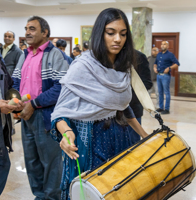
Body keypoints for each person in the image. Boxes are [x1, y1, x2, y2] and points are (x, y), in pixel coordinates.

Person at [50, 8, 148, 200]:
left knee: (119, 191)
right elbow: (60, 112)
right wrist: (66, 133)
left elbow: (121, 107)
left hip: (120, 138)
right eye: (111, 33)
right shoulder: (82, 66)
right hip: (91, 141)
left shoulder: (123, 67)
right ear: (99, 34)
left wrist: (144, 135)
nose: (118, 39)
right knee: (94, 191)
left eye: (123, 34)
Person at [12, 16, 69, 200]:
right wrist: (15, 103)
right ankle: (39, 196)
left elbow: (61, 87)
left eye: (32, 29)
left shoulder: (55, 55)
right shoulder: (25, 54)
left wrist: (34, 105)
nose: (27, 32)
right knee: (32, 161)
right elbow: (15, 82)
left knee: (51, 163)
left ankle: (52, 197)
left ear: (45, 33)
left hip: (45, 117)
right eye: (26, 28)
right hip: (26, 116)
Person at [0, 51, 23, 198]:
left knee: (2, 164)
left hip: (1, 126)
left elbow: (8, 86)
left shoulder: (0, 59)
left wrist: (14, 101)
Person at [128, 50, 152, 143]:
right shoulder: (108, 56)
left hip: (133, 109)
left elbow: (147, 83)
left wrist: (128, 98)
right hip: (111, 113)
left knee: (133, 146)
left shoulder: (139, 56)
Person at [154, 41, 180, 114]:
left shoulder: (170, 55)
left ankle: (167, 109)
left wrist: (169, 68)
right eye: (162, 44)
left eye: (164, 44)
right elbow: (155, 64)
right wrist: (155, 68)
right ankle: (161, 107)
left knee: (166, 92)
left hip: (165, 76)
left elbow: (177, 64)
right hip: (158, 75)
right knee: (160, 92)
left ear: (168, 46)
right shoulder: (158, 54)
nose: (162, 45)